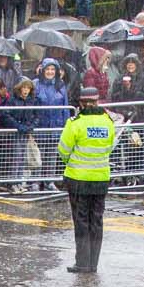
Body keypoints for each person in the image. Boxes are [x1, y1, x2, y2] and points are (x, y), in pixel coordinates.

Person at [56, 85, 115, 272]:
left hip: (78, 179)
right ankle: (93, 263)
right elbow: (110, 147)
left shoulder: (75, 123)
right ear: (97, 102)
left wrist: (74, 161)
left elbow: (63, 150)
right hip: (100, 178)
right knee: (96, 220)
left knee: (81, 221)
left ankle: (82, 263)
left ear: (81, 103)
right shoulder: (107, 122)